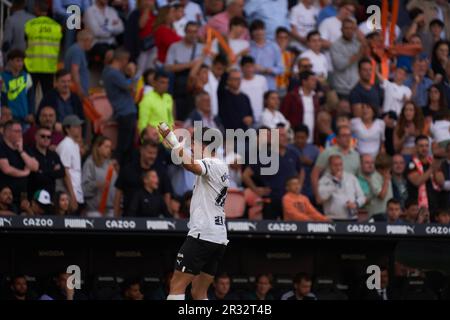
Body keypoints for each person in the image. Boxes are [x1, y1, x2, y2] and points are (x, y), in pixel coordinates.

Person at [159, 126, 229, 301]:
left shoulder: (212, 164)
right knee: (198, 292)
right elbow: (189, 162)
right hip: (218, 237)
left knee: (176, 285)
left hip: (203, 234)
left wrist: (174, 141)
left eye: (193, 143)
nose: (191, 147)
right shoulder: (220, 166)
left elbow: (190, 165)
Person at [243, 126, 304, 220]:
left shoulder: (293, 154)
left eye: (286, 135)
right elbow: (246, 175)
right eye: (282, 135)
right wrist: (256, 189)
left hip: (291, 200)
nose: (285, 138)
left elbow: (301, 171)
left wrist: (299, 185)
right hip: (271, 200)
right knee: (268, 231)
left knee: (292, 231)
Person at [114, 140, 172, 217]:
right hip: (129, 219)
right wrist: (116, 218)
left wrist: (168, 218)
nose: (152, 156)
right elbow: (118, 193)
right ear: (141, 150)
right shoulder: (128, 169)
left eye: (155, 153)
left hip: (154, 220)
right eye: (150, 153)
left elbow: (167, 194)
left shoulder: (161, 171)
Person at [102, 48, 138, 165]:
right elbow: (132, 88)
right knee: (124, 147)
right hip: (125, 113)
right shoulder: (113, 73)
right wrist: (132, 74)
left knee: (126, 146)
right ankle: (116, 171)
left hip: (123, 112)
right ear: (123, 60)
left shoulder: (110, 72)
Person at [165, 21, 205, 120]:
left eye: (195, 32)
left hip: (195, 89)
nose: (192, 35)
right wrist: (189, 65)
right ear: (185, 32)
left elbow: (206, 68)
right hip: (179, 89)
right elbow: (168, 67)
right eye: (190, 32)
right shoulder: (175, 47)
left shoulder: (202, 48)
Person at [311, 126, 361, 204]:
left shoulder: (356, 155)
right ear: (337, 138)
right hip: (331, 198)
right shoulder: (327, 152)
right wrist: (317, 195)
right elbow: (315, 174)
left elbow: (358, 178)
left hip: (350, 199)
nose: (347, 138)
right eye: (344, 136)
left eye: (349, 135)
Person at [24, 0, 62, 95]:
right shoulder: (56, 26)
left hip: (32, 66)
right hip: (49, 67)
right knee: (48, 97)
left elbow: (25, 39)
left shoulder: (30, 24)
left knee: (30, 96)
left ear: (36, 9)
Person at [0, 120, 39, 208]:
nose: (20, 134)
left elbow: (35, 167)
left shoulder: (24, 148)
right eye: (16, 131)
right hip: (4, 196)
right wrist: (24, 173)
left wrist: (21, 151)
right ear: (7, 132)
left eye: (21, 131)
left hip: (22, 196)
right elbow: (6, 169)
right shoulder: (1, 147)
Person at [318, 154, 366, 221]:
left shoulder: (351, 178)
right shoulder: (324, 180)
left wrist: (356, 204)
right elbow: (322, 197)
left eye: (340, 164)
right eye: (335, 165)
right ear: (329, 166)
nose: (338, 168)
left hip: (351, 218)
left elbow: (362, 197)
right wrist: (335, 182)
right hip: (333, 219)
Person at [82, 136, 117, 217]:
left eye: (110, 147)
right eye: (106, 147)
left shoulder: (110, 164)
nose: (109, 150)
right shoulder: (90, 163)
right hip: (95, 210)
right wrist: (97, 184)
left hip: (111, 210)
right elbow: (84, 187)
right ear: (98, 147)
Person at [56, 115, 85, 214]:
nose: (80, 129)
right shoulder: (66, 145)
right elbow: (65, 172)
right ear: (67, 129)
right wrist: (72, 197)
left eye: (80, 126)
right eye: (76, 126)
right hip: (68, 196)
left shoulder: (74, 144)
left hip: (76, 194)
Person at [330, 17, 365, 100]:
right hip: (341, 88)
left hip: (356, 87)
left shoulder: (358, 43)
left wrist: (363, 41)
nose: (349, 31)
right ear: (341, 29)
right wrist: (358, 54)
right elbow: (340, 65)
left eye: (351, 28)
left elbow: (366, 57)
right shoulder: (335, 45)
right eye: (346, 28)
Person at [406, 135, 442, 214]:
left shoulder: (432, 162)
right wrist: (432, 168)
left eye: (426, 145)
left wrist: (435, 167)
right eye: (421, 146)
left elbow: (441, 181)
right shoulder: (411, 164)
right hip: (417, 208)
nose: (424, 148)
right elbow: (417, 181)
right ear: (416, 147)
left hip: (435, 205)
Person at [26, 126, 65, 198]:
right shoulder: (29, 152)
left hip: (51, 195)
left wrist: (43, 171)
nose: (46, 139)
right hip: (34, 195)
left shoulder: (53, 154)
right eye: (43, 136)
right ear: (36, 137)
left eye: (49, 137)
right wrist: (52, 171)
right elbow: (37, 177)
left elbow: (62, 172)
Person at [84, 0, 124, 67]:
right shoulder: (89, 11)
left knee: (124, 53)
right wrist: (112, 27)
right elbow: (96, 32)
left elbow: (121, 28)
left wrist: (105, 28)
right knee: (110, 54)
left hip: (112, 42)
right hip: (96, 43)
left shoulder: (112, 11)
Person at [280, 71, 320, 137]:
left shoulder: (315, 98)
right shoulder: (291, 96)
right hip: (294, 136)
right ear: (304, 81)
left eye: (315, 80)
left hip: (312, 136)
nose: (315, 82)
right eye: (312, 80)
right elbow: (284, 115)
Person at [0, 49, 33, 126]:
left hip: (25, 118)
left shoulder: (27, 77)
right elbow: (2, 98)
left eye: (22, 61)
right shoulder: (3, 77)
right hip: (9, 119)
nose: (20, 64)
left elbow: (31, 98)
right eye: (17, 61)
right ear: (10, 61)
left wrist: (31, 113)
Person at [249, 19, 284, 91]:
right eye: (256, 30)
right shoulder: (248, 47)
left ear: (265, 31)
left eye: (261, 29)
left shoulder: (274, 47)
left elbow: (281, 69)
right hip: (252, 85)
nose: (259, 32)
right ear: (252, 32)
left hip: (269, 86)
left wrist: (267, 70)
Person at [290, 124, 319, 199]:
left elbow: (319, 169)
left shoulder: (314, 150)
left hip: (310, 189)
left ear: (307, 137)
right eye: (297, 137)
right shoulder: (288, 149)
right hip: (292, 189)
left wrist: (311, 163)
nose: (300, 140)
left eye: (302, 138)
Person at [64, 29, 94, 98]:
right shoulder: (77, 51)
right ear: (86, 40)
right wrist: (79, 89)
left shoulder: (77, 50)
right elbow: (74, 71)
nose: (91, 45)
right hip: (77, 92)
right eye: (91, 41)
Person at [239, 56, 269, 125]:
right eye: (247, 66)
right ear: (241, 68)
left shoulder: (262, 79)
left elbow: (266, 98)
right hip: (246, 119)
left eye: (251, 66)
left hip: (262, 118)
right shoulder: (239, 82)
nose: (249, 69)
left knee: (267, 135)